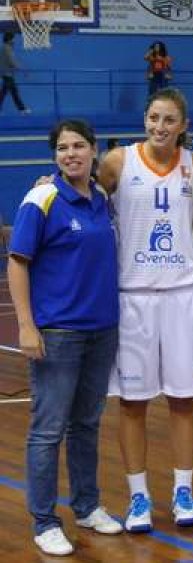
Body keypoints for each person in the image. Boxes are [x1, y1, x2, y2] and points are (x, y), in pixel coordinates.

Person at [11, 119, 124, 555]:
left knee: (86, 425)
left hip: (101, 331)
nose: (71, 153)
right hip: (58, 334)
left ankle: (87, 506)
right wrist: (26, 325)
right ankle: (44, 521)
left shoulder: (102, 200)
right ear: (54, 155)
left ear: (94, 150)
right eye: (62, 147)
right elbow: (18, 262)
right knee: (48, 429)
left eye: (78, 145)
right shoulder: (42, 197)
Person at [97, 88, 193, 533]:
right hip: (134, 295)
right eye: (153, 118)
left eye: (169, 120)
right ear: (145, 119)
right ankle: (139, 496)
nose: (159, 127)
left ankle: (183, 490)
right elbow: (80, 189)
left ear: (182, 125)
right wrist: (51, 183)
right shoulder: (119, 162)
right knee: (133, 403)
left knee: (183, 400)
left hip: (183, 293)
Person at [1, 31, 31, 114]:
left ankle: (22, 109)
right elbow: (12, 62)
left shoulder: (5, 47)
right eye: (13, 39)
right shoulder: (7, 48)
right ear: (9, 39)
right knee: (14, 93)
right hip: (7, 74)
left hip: (6, 74)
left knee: (4, 93)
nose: (14, 40)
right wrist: (23, 70)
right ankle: (22, 109)